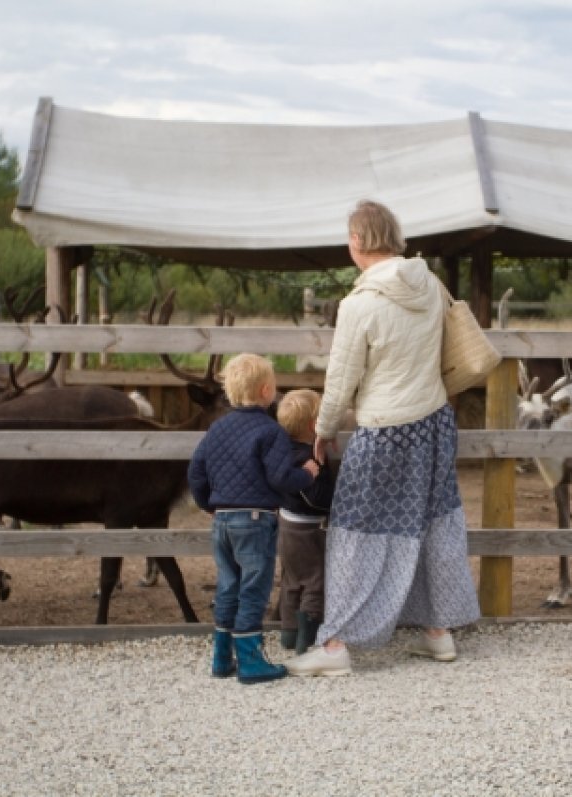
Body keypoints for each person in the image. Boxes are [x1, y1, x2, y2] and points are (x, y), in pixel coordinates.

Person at [285, 199, 481, 678]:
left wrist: (323, 430)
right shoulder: (432, 285)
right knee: (432, 523)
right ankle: (438, 632)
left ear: (356, 241)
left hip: (386, 429)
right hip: (434, 423)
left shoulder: (360, 304)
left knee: (357, 534)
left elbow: (341, 379)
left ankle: (335, 644)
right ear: (395, 238)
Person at [188, 353, 319, 685]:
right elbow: (280, 478)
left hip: (222, 522)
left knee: (228, 586)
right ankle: (250, 662)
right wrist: (308, 472)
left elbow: (196, 471)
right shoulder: (270, 431)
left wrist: (207, 503)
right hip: (254, 519)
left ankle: (221, 657)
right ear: (265, 391)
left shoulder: (217, 429)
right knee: (254, 589)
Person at [273, 388, 338, 655]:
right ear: (314, 425)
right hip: (307, 528)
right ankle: (306, 640)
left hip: (285, 523)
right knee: (314, 580)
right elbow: (316, 499)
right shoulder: (307, 459)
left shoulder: (280, 451)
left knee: (291, 579)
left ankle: (288, 633)